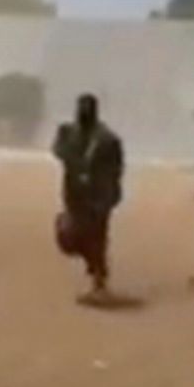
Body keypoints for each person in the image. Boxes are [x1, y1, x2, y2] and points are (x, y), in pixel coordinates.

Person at [53, 94, 125, 299]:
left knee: (97, 237)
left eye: (87, 108)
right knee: (69, 237)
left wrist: (111, 193)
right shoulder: (67, 133)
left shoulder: (107, 139)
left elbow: (117, 167)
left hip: (99, 196)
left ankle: (99, 280)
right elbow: (58, 151)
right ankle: (94, 268)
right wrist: (78, 163)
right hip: (75, 195)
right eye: (81, 108)